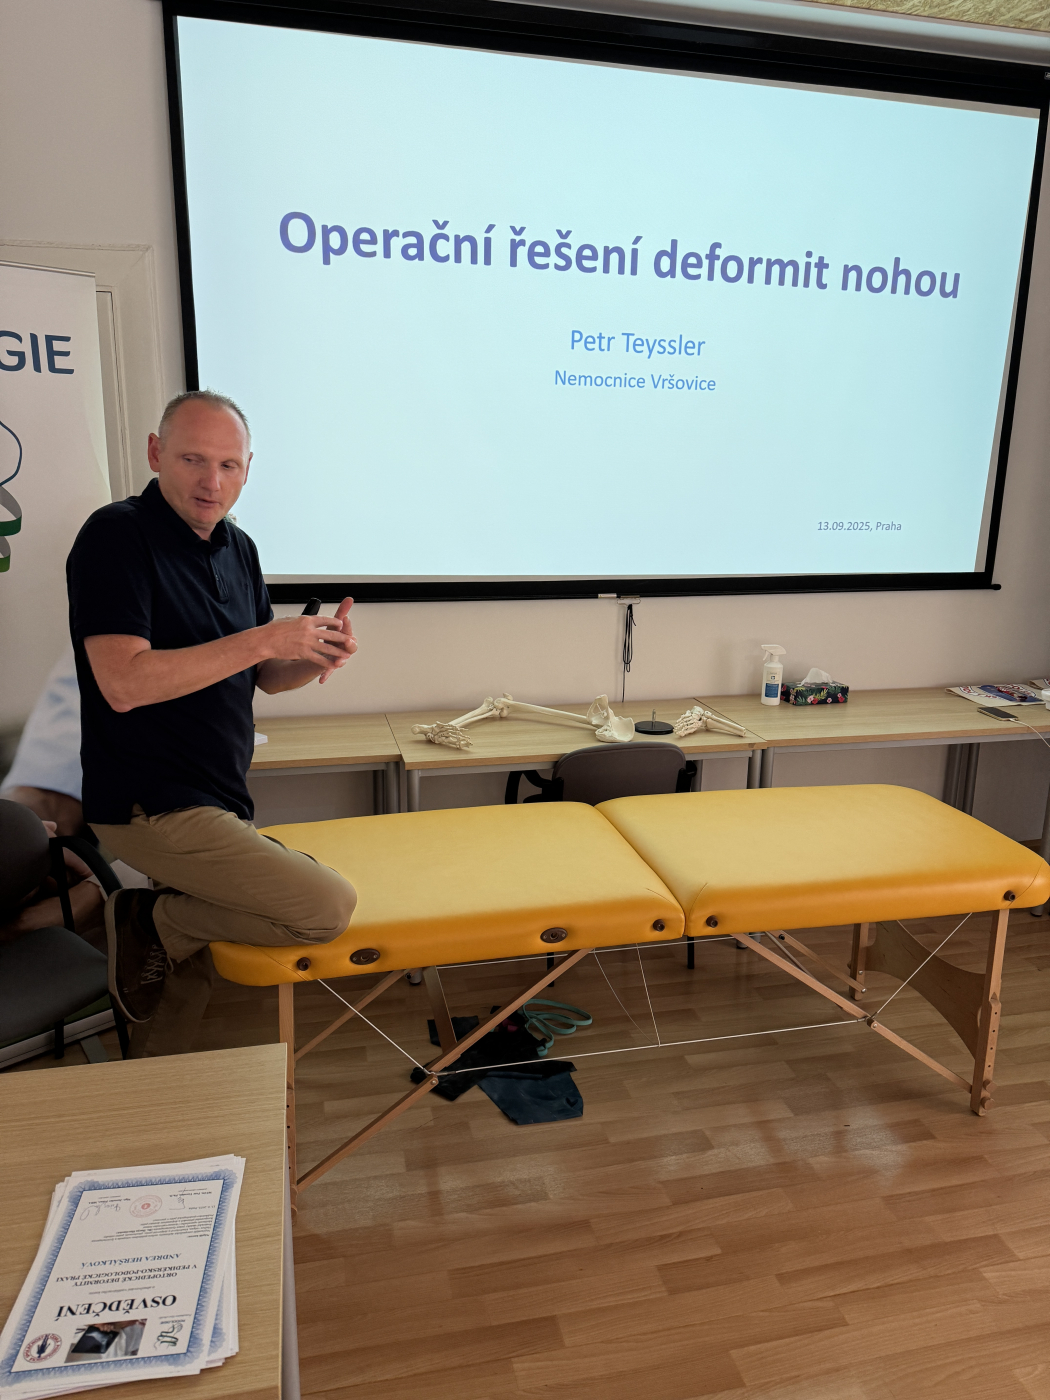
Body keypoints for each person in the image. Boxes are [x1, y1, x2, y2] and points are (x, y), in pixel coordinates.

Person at [66, 389, 359, 1057]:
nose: (212, 482)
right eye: (193, 459)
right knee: (324, 907)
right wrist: (263, 639)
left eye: (229, 465)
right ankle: (152, 918)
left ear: (248, 468)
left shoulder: (238, 547)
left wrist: (313, 655)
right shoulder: (116, 535)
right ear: (155, 453)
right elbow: (123, 684)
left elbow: (261, 675)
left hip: (219, 791)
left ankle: (162, 1089)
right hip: (149, 802)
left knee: (176, 980)